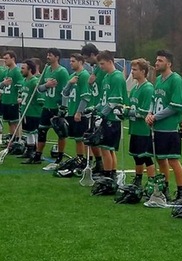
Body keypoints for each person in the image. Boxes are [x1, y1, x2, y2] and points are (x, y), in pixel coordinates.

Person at [146, 50, 182, 204]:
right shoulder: (158, 80)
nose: (157, 63)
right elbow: (153, 100)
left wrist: (156, 116)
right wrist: (149, 113)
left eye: (160, 60)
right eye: (156, 60)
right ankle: (165, 189)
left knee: (173, 160)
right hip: (158, 127)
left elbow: (176, 106)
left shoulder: (175, 79)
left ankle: (181, 191)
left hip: (169, 128)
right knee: (161, 160)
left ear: (169, 63)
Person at [55, 53, 92, 174]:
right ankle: (80, 159)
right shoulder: (72, 76)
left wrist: (79, 112)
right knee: (76, 138)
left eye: (73, 61)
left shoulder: (84, 75)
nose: (71, 63)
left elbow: (85, 96)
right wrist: (70, 83)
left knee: (81, 138)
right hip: (71, 111)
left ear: (80, 62)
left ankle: (85, 160)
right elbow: (65, 93)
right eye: (70, 61)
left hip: (79, 112)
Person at [36, 48, 70, 170]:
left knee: (61, 133)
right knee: (41, 131)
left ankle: (60, 156)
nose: (48, 57)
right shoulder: (46, 70)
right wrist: (46, 85)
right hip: (47, 105)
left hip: (57, 107)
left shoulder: (62, 72)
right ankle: (38, 155)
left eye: (50, 55)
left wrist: (63, 107)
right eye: (47, 54)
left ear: (57, 57)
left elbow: (67, 90)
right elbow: (39, 88)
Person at [96, 50, 128, 180]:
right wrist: (95, 108)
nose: (101, 66)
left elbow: (115, 100)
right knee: (108, 149)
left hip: (112, 117)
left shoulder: (117, 76)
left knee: (106, 148)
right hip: (107, 116)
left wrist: (102, 115)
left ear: (110, 61)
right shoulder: (106, 77)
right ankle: (111, 173)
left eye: (103, 63)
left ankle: (108, 175)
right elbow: (104, 99)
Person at [127, 58, 156, 186]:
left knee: (145, 156)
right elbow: (129, 106)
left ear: (143, 71)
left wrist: (129, 112)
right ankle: (138, 179)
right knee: (136, 156)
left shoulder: (148, 88)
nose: (132, 72)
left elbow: (144, 111)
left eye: (135, 70)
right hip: (135, 128)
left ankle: (151, 182)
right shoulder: (134, 88)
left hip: (144, 129)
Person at [81, 43, 105, 178]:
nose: (86, 61)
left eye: (87, 58)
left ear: (92, 55)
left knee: (100, 139)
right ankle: (99, 163)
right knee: (92, 137)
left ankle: (105, 168)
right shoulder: (95, 68)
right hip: (95, 105)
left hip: (101, 106)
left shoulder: (102, 69)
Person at [0, 51, 24, 146]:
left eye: (7, 58)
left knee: (15, 122)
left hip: (13, 100)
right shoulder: (6, 71)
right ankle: (12, 140)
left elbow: (21, 85)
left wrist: (19, 98)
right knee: (10, 123)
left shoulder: (17, 71)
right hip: (6, 100)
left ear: (13, 59)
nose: (5, 60)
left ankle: (17, 141)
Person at [17, 59, 44, 161]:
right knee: (28, 132)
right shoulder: (24, 81)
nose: (21, 70)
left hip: (34, 112)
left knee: (34, 132)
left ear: (30, 69)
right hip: (25, 111)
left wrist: (34, 101)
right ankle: (29, 150)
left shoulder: (34, 82)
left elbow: (41, 99)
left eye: (23, 68)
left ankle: (36, 152)